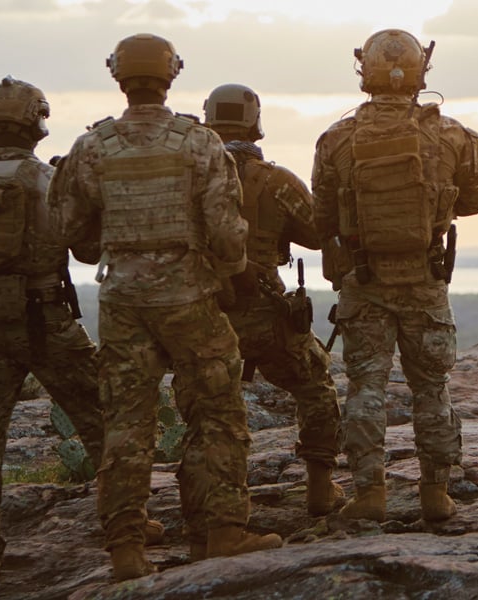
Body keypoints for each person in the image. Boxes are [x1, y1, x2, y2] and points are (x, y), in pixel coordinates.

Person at [47, 33, 282, 581]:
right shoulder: (200, 144)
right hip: (190, 296)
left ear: (118, 76)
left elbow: (68, 231)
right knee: (217, 410)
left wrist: (118, 248)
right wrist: (214, 268)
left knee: (128, 421)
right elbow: (227, 237)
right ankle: (221, 529)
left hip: (123, 299)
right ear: (172, 74)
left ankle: (126, 548)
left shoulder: (92, 147)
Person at [0, 76, 162, 588]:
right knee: (101, 420)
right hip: (50, 320)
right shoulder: (54, 182)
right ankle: (126, 528)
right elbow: (89, 249)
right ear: (37, 124)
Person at [311, 29, 478, 523]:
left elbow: (322, 216)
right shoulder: (453, 135)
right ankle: (436, 494)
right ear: (420, 73)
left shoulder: (337, 138)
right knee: (431, 389)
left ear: (363, 73)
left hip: (364, 282)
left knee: (365, 388)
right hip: (424, 281)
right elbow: (475, 201)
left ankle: (370, 494)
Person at [202, 83, 343, 517]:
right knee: (316, 388)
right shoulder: (276, 181)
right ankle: (320, 487)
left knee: (208, 411)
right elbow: (319, 234)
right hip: (264, 314)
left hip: (203, 315)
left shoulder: (189, 175)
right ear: (254, 123)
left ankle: (216, 503)